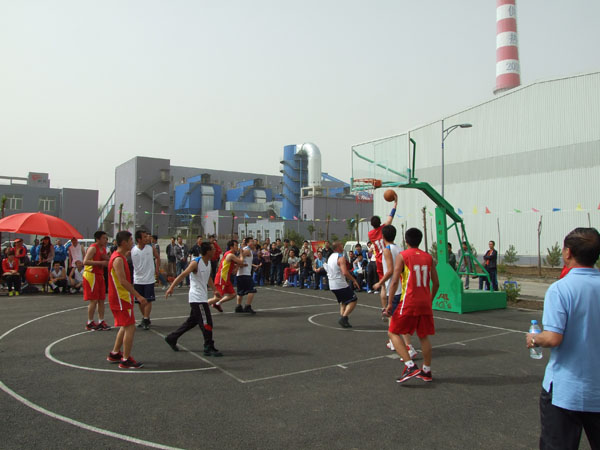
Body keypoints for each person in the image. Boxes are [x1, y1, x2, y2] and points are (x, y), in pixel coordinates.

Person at [525, 228, 600, 450]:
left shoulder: (560, 289)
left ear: (567, 252)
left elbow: (553, 338)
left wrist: (534, 339)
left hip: (566, 391)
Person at [387, 228, 439, 384]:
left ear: (406, 240)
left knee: (393, 332)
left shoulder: (403, 256)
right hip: (424, 302)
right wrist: (430, 300)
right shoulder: (428, 257)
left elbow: (394, 281)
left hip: (409, 300)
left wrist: (389, 302)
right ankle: (427, 370)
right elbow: (436, 283)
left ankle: (409, 366)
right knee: (423, 336)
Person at [164, 241, 223, 356]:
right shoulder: (196, 262)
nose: (215, 250)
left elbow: (208, 277)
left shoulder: (208, 263)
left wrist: (215, 290)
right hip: (197, 298)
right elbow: (182, 275)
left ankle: (172, 338)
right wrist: (171, 287)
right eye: (213, 249)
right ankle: (208, 346)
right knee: (207, 322)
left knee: (191, 322)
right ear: (207, 251)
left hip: (202, 297)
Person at [106, 230, 148, 369]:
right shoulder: (118, 259)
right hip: (121, 298)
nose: (132, 243)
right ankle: (125, 359)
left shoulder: (120, 256)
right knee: (130, 327)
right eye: (130, 240)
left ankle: (115, 353)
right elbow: (123, 281)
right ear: (124, 243)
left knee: (125, 326)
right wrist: (138, 296)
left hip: (121, 297)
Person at [375, 225, 418, 357]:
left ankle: (409, 347)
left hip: (394, 288)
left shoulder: (387, 250)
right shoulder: (399, 248)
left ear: (383, 236)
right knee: (392, 316)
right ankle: (393, 342)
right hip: (401, 287)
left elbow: (390, 271)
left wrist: (379, 283)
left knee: (398, 319)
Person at [368, 195, 398, 316]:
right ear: (380, 223)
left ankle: (384, 308)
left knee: (384, 286)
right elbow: (390, 217)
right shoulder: (384, 229)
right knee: (394, 280)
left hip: (379, 259)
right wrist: (395, 204)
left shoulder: (370, 234)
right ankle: (393, 305)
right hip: (387, 255)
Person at [325, 241, 361, 328]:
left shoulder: (330, 257)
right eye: (341, 245)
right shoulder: (340, 258)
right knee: (354, 299)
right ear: (338, 247)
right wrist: (354, 280)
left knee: (343, 302)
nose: (342, 247)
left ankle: (343, 319)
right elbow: (345, 272)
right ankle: (344, 317)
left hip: (332, 283)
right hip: (339, 283)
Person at [131, 230, 159, 330]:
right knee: (140, 301)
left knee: (148, 300)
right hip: (138, 279)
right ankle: (145, 317)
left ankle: (146, 318)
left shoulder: (151, 248)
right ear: (139, 239)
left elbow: (157, 257)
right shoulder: (133, 250)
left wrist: (157, 269)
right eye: (144, 237)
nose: (147, 238)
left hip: (149, 279)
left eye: (147, 236)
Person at [82, 230, 110, 331]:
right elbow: (85, 261)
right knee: (93, 300)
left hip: (99, 275)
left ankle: (101, 321)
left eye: (106, 238)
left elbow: (105, 260)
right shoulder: (93, 248)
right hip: (91, 275)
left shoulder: (104, 249)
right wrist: (101, 263)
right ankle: (89, 322)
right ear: (98, 239)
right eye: (104, 238)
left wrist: (108, 259)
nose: (106, 240)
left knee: (101, 299)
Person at [208, 240, 246, 312]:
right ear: (231, 247)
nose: (237, 247)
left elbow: (232, 264)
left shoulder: (230, 254)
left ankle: (217, 304)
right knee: (217, 297)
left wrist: (236, 267)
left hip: (226, 279)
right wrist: (241, 254)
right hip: (221, 278)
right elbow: (241, 261)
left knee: (233, 294)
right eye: (235, 245)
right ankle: (202, 306)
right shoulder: (230, 255)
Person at [234, 237, 257, 313]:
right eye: (251, 241)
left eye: (253, 241)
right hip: (245, 274)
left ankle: (238, 306)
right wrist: (239, 266)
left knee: (240, 291)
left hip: (240, 274)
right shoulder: (247, 250)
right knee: (251, 290)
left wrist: (239, 265)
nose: (253, 242)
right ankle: (247, 306)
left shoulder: (245, 250)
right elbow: (239, 259)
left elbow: (240, 259)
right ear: (247, 243)